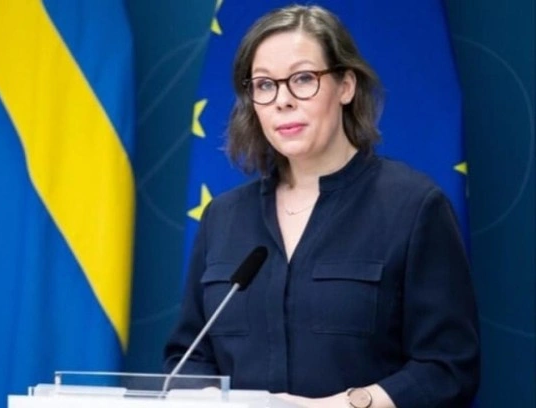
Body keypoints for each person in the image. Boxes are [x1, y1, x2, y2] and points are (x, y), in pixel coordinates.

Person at [163, 4, 480, 408]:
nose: (283, 101)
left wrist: (349, 404)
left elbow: (449, 368)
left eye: (303, 79)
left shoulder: (414, 207)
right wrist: (209, 397)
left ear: (345, 86)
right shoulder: (223, 218)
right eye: (264, 85)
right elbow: (187, 358)